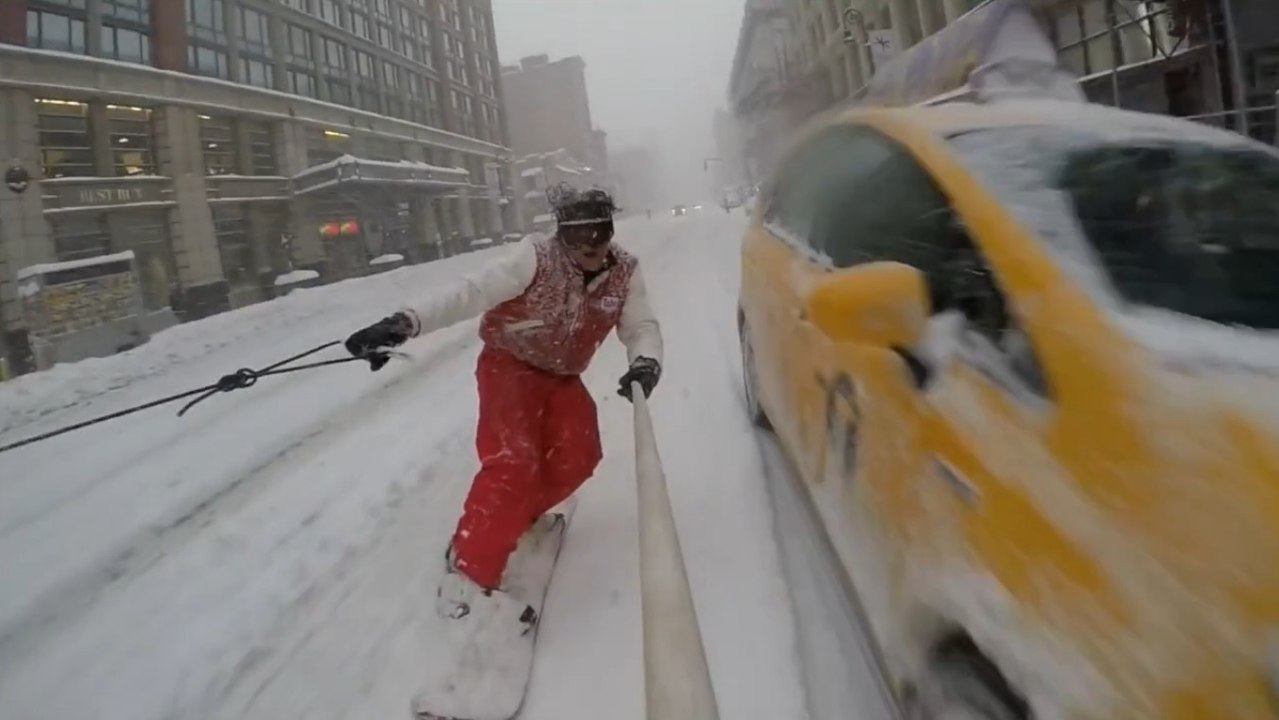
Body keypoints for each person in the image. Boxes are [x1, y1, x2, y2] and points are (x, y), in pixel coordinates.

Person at [343, 186, 663, 632]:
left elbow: (641, 324)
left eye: (598, 240)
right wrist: (405, 323)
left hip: (561, 375)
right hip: (509, 365)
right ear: (564, 237)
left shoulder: (625, 270)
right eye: (579, 242)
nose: (590, 252)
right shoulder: (535, 256)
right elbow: (472, 292)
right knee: (513, 462)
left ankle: (513, 516)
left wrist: (645, 360)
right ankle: (469, 569)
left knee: (580, 454)